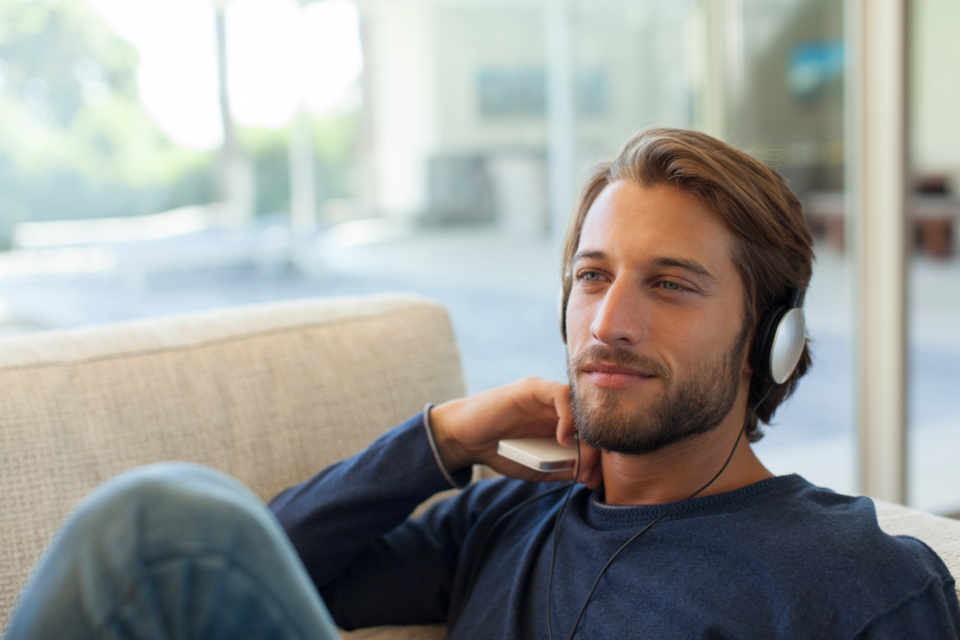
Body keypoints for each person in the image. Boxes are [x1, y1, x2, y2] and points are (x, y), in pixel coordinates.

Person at [5, 128, 959, 640]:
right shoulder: (506, 522)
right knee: (164, 526)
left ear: (772, 340)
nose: (607, 322)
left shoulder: (857, 580)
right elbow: (258, 571)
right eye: (592, 277)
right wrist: (442, 438)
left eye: (669, 285)